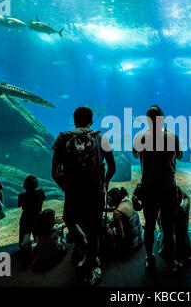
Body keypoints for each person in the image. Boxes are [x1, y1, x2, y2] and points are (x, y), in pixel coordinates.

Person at [52, 106, 116, 286]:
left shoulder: (63, 138)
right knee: (94, 229)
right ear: (92, 120)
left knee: (69, 220)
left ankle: (88, 252)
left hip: (73, 191)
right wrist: (104, 182)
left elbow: (54, 171)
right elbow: (112, 166)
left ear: (74, 119)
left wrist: (65, 187)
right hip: (95, 191)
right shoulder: (101, 138)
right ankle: (91, 264)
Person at [133, 105, 183, 272]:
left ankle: (149, 257)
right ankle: (173, 260)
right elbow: (180, 155)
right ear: (162, 119)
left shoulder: (140, 137)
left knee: (149, 224)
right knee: (169, 227)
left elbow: (135, 154)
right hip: (168, 187)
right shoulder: (172, 137)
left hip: (149, 188)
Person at [106, 187, 144, 251]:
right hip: (141, 238)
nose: (107, 202)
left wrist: (110, 231)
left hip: (131, 245)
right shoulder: (128, 201)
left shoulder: (117, 213)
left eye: (108, 199)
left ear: (115, 197)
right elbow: (117, 209)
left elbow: (121, 236)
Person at [18, 175, 46, 248]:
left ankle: (24, 251)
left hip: (26, 218)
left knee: (24, 238)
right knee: (39, 238)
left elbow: (20, 205)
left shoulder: (21, 196)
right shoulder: (40, 192)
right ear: (36, 185)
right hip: (38, 216)